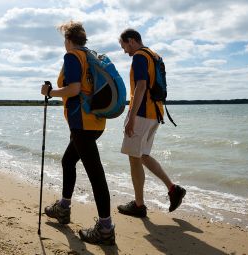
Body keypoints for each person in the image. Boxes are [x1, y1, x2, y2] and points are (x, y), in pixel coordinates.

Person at [40, 21, 115, 245]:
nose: (64, 44)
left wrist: (50, 91)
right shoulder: (91, 56)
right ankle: (63, 208)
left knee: (95, 174)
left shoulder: (73, 56)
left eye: (64, 39)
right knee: (68, 160)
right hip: (96, 122)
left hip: (82, 124)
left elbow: (73, 89)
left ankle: (105, 228)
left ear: (69, 40)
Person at [117, 28, 186, 218]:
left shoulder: (139, 56)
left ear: (131, 41)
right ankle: (173, 189)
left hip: (141, 114)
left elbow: (141, 87)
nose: (124, 51)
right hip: (155, 112)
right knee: (144, 156)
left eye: (123, 46)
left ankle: (139, 206)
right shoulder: (154, 55)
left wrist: (131, 118)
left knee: (134, 158)